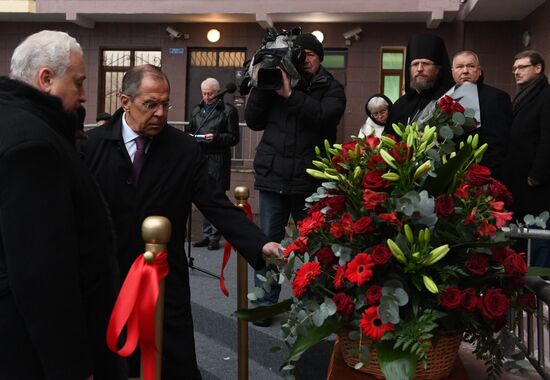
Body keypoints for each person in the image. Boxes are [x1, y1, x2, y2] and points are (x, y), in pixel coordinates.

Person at [80, 64, 281, 379]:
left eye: (165, 104)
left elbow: (214, 203)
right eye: (151, 104)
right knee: (110, 361)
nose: (160, 113)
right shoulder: (90, 147)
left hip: (165, 278)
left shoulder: (184, 149)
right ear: (124, 102)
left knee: (175, 363)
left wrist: (259, 243)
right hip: (108, 277)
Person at [0, 30, 125, 379]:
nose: (85, 94)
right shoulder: (32, 145)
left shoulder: (21, 122)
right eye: (79, 82)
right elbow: (42, 272)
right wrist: (71, 366)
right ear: (46, 79)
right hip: (32, 353)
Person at [244, 32, 346, 325]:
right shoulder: (276, 83)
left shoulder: (331, 88)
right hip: (273, 177)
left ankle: (312, 304)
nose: (304, 61)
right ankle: (265, 303)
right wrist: (264, 85)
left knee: (314, 249)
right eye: (299, 56)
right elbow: (253, 121)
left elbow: (325, 117)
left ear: (320, 57)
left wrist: (291, 95)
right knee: (269, 245)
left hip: (310, 182)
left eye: (309, 55)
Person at [503, 50, 550, 267]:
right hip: (520, 181)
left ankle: (539, 284)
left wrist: (537, 174)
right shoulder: (525, 95)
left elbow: (547, 138)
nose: (516, 72)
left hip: (536, 184)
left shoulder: (546, 96)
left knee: (538, 238)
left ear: (538, 68)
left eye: (522, 67)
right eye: (514, 68)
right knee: (521, 238)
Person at [187, 77, 240, 250]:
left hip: (218, 159)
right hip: (200, 157)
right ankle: (207, 234)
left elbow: (234, 137)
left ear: (218, 92)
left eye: (210, 93)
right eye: (204, 93)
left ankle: (216, 235)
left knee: (216, 198)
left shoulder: (228, 111)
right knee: (203, 197)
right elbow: (190, 129)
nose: (207, 97)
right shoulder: (196, 110)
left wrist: (216, 138)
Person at [450, 51, 512, 180]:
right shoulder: (447, 98)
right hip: (451, 174)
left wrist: (484, 176)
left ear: (479, 71)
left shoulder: (496, 97)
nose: (465, 71)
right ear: (452, 72)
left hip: (482, 175)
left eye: (471, 66)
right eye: (460, 66)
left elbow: (498, 145)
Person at [386, 33, 453, 131]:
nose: (419, 69)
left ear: (437, 69)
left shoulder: (450, 102)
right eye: (415, 64)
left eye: (426, 63)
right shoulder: (400, 106)